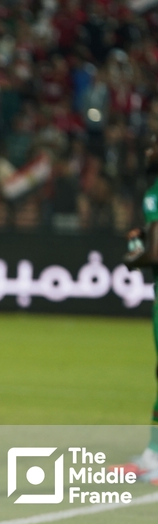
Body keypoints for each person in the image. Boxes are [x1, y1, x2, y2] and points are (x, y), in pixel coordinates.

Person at [124, 131, 158, 481]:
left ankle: (155, 455)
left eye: (154, 145)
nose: (149, 151)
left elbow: (154, 254)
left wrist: (135, 253)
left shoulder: (155, 193)